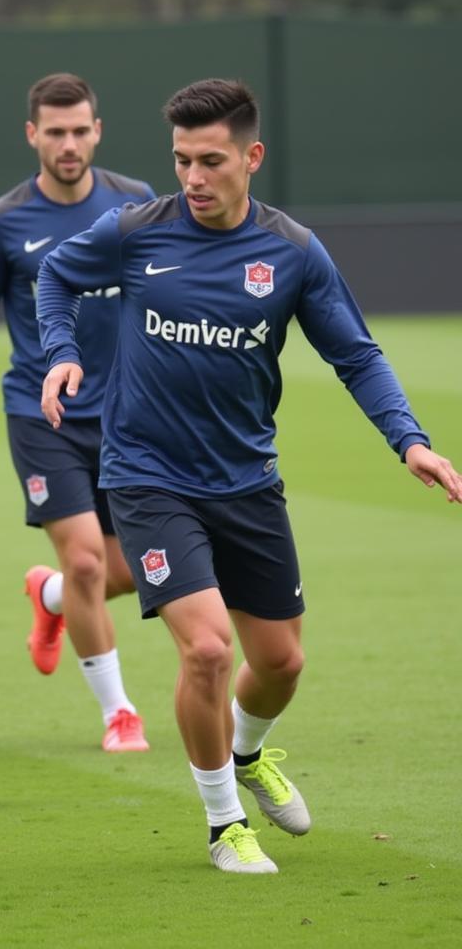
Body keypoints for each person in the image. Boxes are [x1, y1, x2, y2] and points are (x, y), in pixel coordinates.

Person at [37, 77, 461, 874]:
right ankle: (223, 824)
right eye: (181, 160)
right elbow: (55, 275)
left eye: (211, 161)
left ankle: (246, 750)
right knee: (206, 652)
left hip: (246, 481)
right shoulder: (135, 231)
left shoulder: (293, 253)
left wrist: (410, 441)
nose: (193, 178)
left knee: (282, 663)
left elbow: (356, 354)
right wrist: (62, 353)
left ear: (251, 157)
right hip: (147, 478)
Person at [0, 73, 155, 752]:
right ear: (32, 134)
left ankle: (52, 599)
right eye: (55, 132)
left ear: (97, 130)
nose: (68, 144)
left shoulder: (136, 204)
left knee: (138, 568)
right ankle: (119, 713)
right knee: (91, 564)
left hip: (129, 416)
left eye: (80, 131)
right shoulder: (3, 221)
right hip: (43, 416)